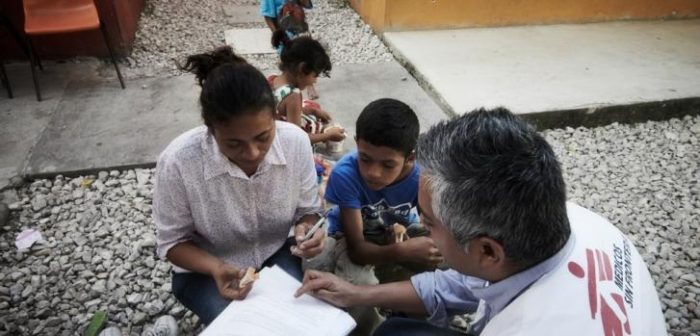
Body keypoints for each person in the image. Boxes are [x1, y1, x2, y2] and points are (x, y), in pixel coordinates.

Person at [297, 108, 667, 336]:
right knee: (397, 329)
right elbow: (455, 286)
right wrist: (355, 293)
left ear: (487, 251)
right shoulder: (570, 220)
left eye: (429, 223)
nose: (423, 231)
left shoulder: (531, 328)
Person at [153, 46, 326, 326]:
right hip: (205, 271)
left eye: (263, 136)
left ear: (275, 117)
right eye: (234, 143)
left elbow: (309, 210)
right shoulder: (178, 162)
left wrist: (309, 229)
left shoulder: (295, 142)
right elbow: (171, 243)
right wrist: (216, 267)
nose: (253, 153)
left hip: (277, 253)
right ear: (210, 130)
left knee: (298, 324)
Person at [304, 98, 442, 335]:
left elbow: (434, 233)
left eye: (388, 165)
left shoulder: (423, 177)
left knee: (445, 262)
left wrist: (418, 244)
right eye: (365, 159)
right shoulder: (346, 174)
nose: (373, 173)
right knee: (356, 286)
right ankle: (371, 329)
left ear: (410, 158)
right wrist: (402, 251)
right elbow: (357, 250)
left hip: (389, 231)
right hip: (348, 236)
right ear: (357, 144)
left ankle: (418, 322)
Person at [268, 35, 345, 145]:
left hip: (272, 127)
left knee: (312, 107)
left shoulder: (273, 78)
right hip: (280, 142)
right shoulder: (293, 96)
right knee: (311, 113)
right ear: (302, 69)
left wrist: (314, 111)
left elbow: (282, 111)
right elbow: (297, 139)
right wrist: (328, 135)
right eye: (315, 76)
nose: (315, 81)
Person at [260, 0, 320, 99]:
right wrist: (276, 33)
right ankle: (287, 82)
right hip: (284, 33)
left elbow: (307, 5)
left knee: (306, 54)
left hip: (300, 28)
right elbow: (267, 16)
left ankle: (309, 85)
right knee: (287, 58)